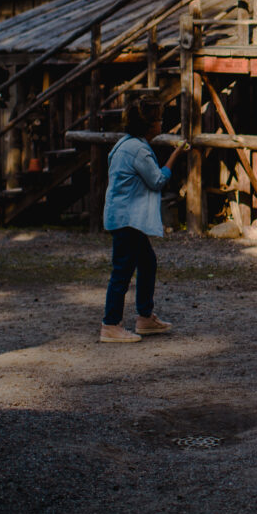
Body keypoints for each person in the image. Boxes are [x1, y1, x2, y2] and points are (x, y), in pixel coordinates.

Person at [100, 101, 187, 343]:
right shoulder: (138, 150)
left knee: (147, 262)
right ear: (148, 125)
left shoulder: (124, 145)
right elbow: (158, 180)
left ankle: (145, 317)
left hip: (125, 216)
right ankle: (110, 324)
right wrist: (175, 155)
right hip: (127, 218)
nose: (162, 123)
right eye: (158, 119)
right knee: (122, 271)